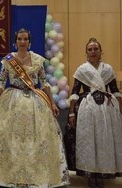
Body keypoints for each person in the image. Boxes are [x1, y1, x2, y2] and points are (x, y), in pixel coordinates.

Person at [0, 28, 70, 187]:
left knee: (38, 138)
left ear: (29, 41)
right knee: (11, 139)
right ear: (15, 41)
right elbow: (0, 83)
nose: (22, 42)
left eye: (25, 39)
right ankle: (11, 176)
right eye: (20, 39)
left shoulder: (38, 60)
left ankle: (36, 175)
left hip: (35, 101)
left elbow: (45, 83)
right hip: (12, 100)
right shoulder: (8, 60)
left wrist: (52, 102)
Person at [68, 37, 122, 188]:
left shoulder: (108, 69)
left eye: (95, 49)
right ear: (86, 52)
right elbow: (74, 93)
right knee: (89, 141)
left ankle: (103, 173)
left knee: (104, 141)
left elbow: (115, 91)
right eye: (90, 49)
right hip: (88, 108)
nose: (93, 52)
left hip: (106, 109)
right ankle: (90, 174)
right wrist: (71, 113)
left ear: (100, 52)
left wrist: (120, 109)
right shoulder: (82, 70)